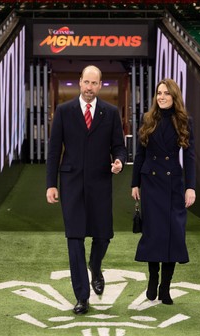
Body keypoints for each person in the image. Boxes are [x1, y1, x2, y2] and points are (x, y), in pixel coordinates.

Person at [46, 65, 127, 315]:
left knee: (103, 235)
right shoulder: (64, 111)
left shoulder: (111, 113)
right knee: (75, 238)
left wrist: (119, 161)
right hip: (70, 185)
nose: (89, 87)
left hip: (101, 183)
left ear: (100, 85)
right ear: (80, 82)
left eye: (94, 83)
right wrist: (51, 184)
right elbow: (53, 150)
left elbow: (119, 146)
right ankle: (82, 296)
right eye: (86, 82)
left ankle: (96, 264)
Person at [131, 78, 196, 305]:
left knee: (173, 236)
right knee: (154, 235)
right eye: (159, 93)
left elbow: (189, 156)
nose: (162, 97)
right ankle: (153, 280)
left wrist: (190, 187)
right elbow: (140, 154)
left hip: (173, 185)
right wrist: (134, 183)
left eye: (166, 93)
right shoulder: (148, 119)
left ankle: (165, 287)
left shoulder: (184, 121)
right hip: (150, 183)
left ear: (174, 96)